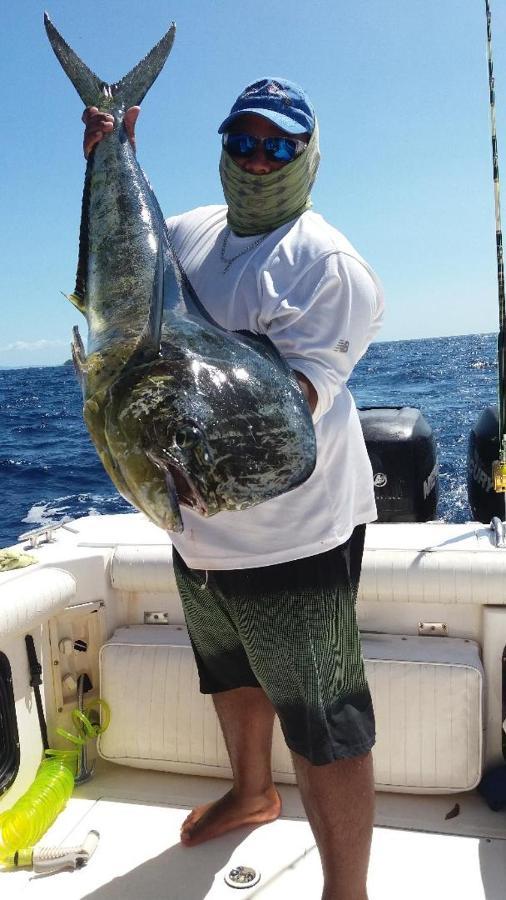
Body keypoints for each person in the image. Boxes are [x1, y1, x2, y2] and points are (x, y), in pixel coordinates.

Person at [83, 77, 384, 900]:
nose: (258, 160)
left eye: (279, 145)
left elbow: (305, 395)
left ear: (307, 156)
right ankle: (253, 793)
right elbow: (122, 273)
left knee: (324, 721)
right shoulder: (189, 232)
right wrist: (112, 159)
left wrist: (202, 432)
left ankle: (346, 891)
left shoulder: (328, 265)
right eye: (242, 142)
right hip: (192, 523)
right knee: (228, 671)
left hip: (296, 537)